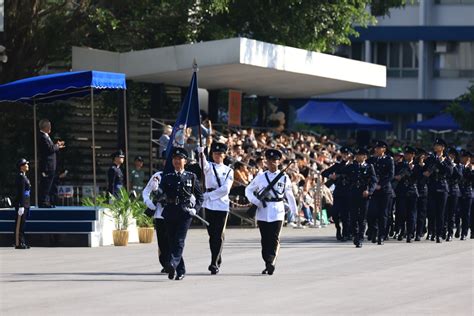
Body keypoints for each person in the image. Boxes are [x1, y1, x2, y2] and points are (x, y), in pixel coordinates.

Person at [245, 149, 297, 275]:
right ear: (266, 162)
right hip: (263, 210)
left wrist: (294, 211)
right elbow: (248, 190)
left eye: (274, 161)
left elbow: (289, 195)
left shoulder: (284, 178)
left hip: (277, 210)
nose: (272, 163)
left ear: (279, 162)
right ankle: (267, 262)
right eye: (269, 161)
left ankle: (271, 262)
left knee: (274, 238)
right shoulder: (261, 177)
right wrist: (255, 201)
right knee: (265, 239)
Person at [159, 147, 203, 281]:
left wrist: (195, 208)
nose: (177, 161)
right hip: (170, 211)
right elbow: (161, 194)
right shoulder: (167, 177)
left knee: (179, 240)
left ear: (185, 161)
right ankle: (180, 269)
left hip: (185, 212)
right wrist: (157, 191)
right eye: (175, 159)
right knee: (172, 241)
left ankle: (173, 263)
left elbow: (200, 197)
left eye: (180, 159)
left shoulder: (191, 176)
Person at [198, 142, 234, 275]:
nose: (217, 155)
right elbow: (202, 164)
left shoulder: (229, 170)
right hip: (209, 205)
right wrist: (200, 153)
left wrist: (209, 195)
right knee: (212, 234)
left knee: (218, 234)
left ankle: (213, 262)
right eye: (215, 153)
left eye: (220, 154)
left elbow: (225, 189)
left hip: (221, 205)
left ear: (224, 155)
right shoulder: (209, 166)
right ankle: (217, 255)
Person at [346, 148, 377, 248]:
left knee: (362, 218)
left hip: (364, 194)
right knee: (353, 217)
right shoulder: (351, 166)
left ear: (365, 157)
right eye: (357, 155)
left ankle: (360, 237)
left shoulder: (369, 167)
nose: (358, 156)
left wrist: (369, 191)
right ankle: (355, 234)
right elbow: (344, 175)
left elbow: (373, 181)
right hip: (354, 193)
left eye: (360, 155)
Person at [423, 138, 453, 243]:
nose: (435, 146)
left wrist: (442, 162)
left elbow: (450, 172)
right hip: (432, 187)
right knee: (431, 211)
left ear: (443, 147)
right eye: (435, 145)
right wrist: (423, 167)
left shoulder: (447, 158)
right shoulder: (431, 158)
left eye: (438, 145)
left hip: (442, 187)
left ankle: (439, 234)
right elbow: (424, 169)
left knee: (441, 212)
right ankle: (432, 231)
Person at [321, 146, 353, 241]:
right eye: (343, 154)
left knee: (346, 214)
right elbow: (324, 173)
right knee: (335, 212)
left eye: (346, 154)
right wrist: (331, 175)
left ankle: (345, 233)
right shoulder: (338, 165)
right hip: (338, 192)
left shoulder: (352, 166)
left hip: (348, 192)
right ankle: (338, 228)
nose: (345, 156)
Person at [367, 140, 394, 245]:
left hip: (385, 190)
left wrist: (381, 185)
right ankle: (374, 231)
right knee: (371, 213)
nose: (376, 149)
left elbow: (391, 175)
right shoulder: (371, 160)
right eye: (376, 148)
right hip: (373, 190)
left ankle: (381, 235)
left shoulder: (389, 160)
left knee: (383, 214)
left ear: (384, 149)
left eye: (378, 148)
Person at [142, 170, 170, 273]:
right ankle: (165, 263)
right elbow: (146, 192)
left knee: (174, 240)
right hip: (160, 214)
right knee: (162, 242)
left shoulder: (182, 175)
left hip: (175, 213)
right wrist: (149, 202)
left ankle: (172, 262)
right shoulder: (158, 175)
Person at [393, 146, 420, 243]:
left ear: (413, 155)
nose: (406, 155)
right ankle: (401, 230)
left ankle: (409, 233)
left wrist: (411, 170)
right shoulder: (401, 165)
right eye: (406, 153)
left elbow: (419, 177)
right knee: (401, 213)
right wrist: (398, 176)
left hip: (412, 191)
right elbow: (394, 174)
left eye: (408, 154)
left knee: (411, 214)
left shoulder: (417, 165)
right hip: (401, 191)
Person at [37, 119, 65, 207]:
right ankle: (43, 202)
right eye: (49, 126)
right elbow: (49, 149)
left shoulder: (46, 136)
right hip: (46, 166)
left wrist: (57, 145)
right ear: (45, 127)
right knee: (45, 184)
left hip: (50, 165)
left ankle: (46, 201)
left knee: (49, 184)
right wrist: (57, 146)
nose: (50, 128)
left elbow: (51, 147)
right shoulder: (42, 137)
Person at [14, 158, 32, 249]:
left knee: (23, 224)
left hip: (26, 203)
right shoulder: (20, 177)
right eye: (25, 164)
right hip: (22, 204)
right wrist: (21, 205)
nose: (27, 165)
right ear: (21, 167)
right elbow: (21, 192)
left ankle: (22, 242)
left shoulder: (24, 176)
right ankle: (18, 243)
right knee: (19, 225)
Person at [445, 147, 461, 241]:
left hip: (454, 190)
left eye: (452, 155)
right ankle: (443, 230)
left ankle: (450, 233)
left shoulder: (458, 166)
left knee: (451, 214)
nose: (450, 157)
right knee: (444, 212)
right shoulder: (446, 165)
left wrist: (453, 166)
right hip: (445, 190)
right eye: (449, 155)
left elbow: (459, 176)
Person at [457, 150, 472, 240]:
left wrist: (470, 169)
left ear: (468, 158)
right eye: (461, 157)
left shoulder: (471, 168)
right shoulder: (459, 167)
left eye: (464, 157)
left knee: (466, 214)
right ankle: (458, 229)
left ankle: (464, 233)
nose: (462, 159)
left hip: (468, 192)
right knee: (457, 213)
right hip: (459, 192)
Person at [415, 148, 429, 241]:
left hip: (423, 190)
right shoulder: (414, 165)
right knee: (412, 213)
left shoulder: (427, 165)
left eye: (422, 155)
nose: (421, 157)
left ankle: (419, 232)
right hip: (413, 190)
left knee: (421, 213)